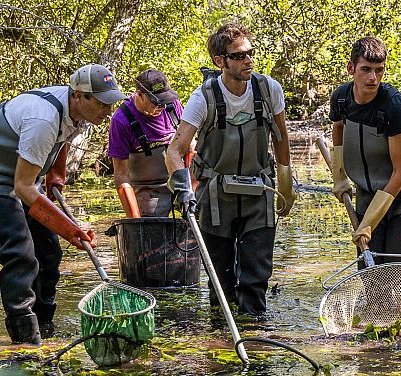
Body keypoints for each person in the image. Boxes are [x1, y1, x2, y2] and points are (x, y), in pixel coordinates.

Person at [0, 64, 124, 343]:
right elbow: (22, 188)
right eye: (101, 103)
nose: (107, 112)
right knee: (20, 253)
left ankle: (45, 325)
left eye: (111, 104)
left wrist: (55, 175)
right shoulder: (44, 119)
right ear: (78, 95)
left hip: (25, 179)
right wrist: (71, 229)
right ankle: (24, 336)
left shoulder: (76, 112)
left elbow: (63, 141)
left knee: (49, 254)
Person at [166, 22, 294, 316]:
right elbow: (175, 150)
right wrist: (183, 189)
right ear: (219, 61)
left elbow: (281, 136)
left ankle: (258, 338)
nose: (248, 60)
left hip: (259, 194)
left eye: (250, 53)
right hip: (215, 200)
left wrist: (286, 181)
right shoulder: (203, 98)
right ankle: (221, 346)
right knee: (220, 285)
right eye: (238, 56)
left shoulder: (268, 89)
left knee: (256, 279)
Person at [328, 36, 401, 263]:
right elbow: (338, 129)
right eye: (366, 69)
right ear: (351, 68)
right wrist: (339, 176)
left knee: (399, 267)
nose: (373, 78)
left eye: (379, 70)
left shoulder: (392, 105)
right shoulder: (341, 98)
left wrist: (369, 222)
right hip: (367, 188)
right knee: (368, 267)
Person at [108, 69, 187, 217]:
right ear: (139, 95)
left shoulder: (172, 106)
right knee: (150, 228)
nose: (162, 107)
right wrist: (134, 219)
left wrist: (191, 189)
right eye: (156, 102)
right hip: (148, 189)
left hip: (179, 180)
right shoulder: (121, 120)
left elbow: (190, 148)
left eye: (165, 101)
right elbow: (121, 175)